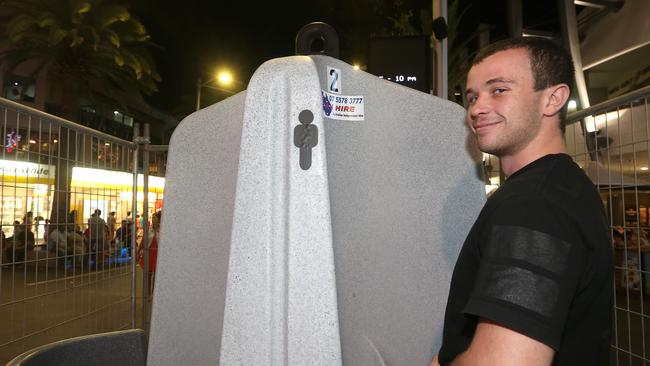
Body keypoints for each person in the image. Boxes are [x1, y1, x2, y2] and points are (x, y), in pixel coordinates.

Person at [432, 37, 612, 366]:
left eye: (498, 90)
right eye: (471, 96)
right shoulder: (557, 188)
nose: (476, 108)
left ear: (553, 99)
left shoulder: (535, 204)